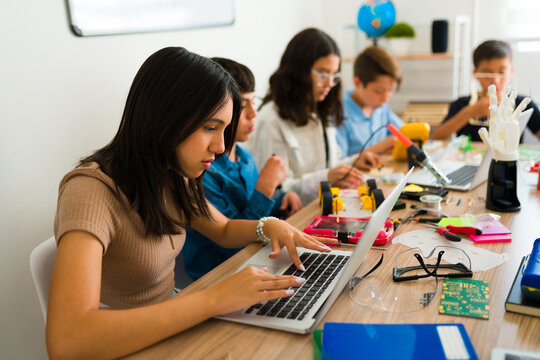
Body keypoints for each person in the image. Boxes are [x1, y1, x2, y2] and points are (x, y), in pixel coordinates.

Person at [46, 47, 334, 359]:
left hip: (175, 319)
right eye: (210, 128)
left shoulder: (170, 172)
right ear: (164, 118)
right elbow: (68, 340)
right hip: (128, 342)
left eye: (224, 130)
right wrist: (215, 299)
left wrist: (269, 225)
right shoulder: (90, 190)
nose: (221, 146)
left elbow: (222, 230)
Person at [181, 57, 303, 281]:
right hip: (220, 275)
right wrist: (265, 188)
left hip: (256, 263)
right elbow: (234, 248)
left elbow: (254, 212)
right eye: (242, 105)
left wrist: (282, 199)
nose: (253, 114)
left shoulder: (245, 158)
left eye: (252, 104)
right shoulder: (202, 170)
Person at [248, 28, 379, 205]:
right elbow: (275, 191)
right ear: (298, 71)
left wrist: (353, 162)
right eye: (323, 74)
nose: (330, 83)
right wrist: (327, 177)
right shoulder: (271, 119)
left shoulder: (318, 109)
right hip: (294, 219)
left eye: (334, 75)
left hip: (324, 207)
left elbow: (327, 164)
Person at [431, 40, 540, 141]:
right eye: (487, 74)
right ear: (475, 74)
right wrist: (470, 112)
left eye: (501, 72)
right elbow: (436, 138)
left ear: (511, 70)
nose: (495, 81)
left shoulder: (523, 104)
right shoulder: (462, 104)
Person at [336, 46, 404, 157]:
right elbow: (338, 163)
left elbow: (404, 133)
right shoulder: (339, 114)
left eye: (390, 90)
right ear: (357, 83)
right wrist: (379, 148)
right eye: (379, 91)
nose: (386, 98)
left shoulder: (381, 107)